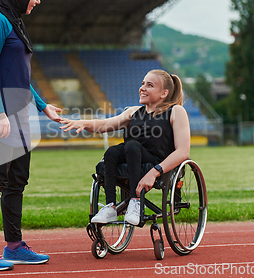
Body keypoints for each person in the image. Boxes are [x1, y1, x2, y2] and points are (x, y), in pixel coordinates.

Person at [0, 0, 62, 271]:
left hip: (20, 115)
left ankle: (14, 246)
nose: (38, 0)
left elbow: (20, 77)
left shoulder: (15, 23)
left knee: (16, 182)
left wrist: (42, 105)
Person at [60, 69, 190, 225]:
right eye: (142, 84)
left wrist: (154, 172)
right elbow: (104, 125)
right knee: (112, 151)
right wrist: (82, 123)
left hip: (157, 162)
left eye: (149, 85)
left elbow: (183, 152)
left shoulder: (175, 111)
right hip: (133, 157)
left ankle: (136, 202)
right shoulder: (133, 112)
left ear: (163, 93)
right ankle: (110, 206)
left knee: (132, 146)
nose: (142, 88)